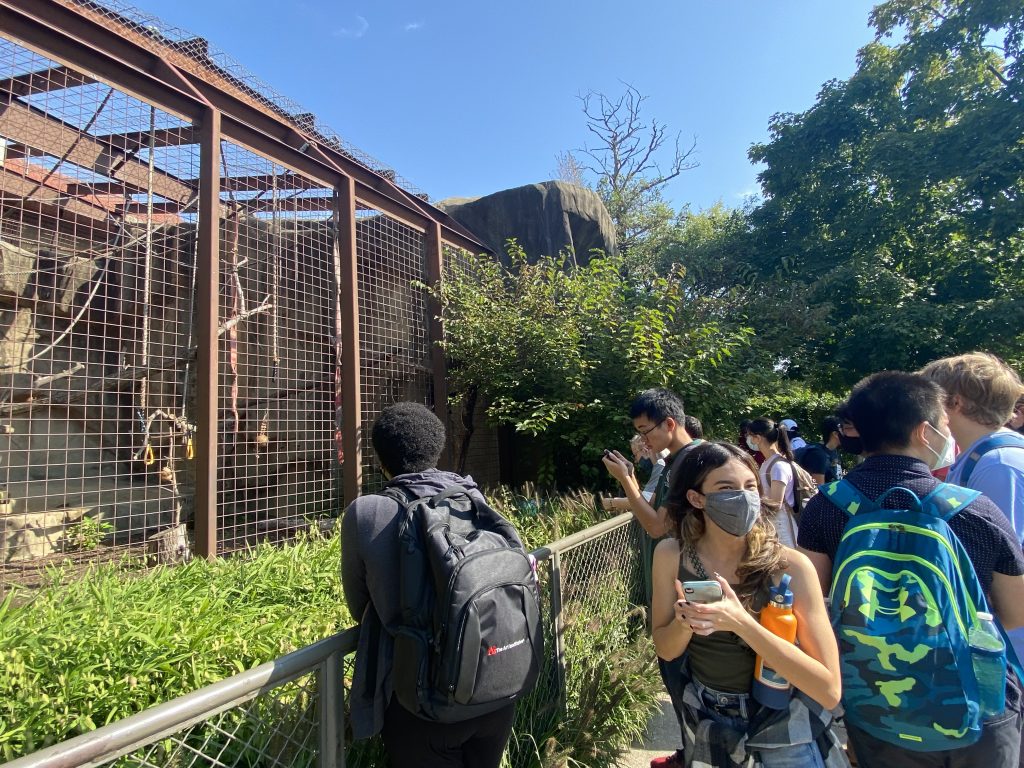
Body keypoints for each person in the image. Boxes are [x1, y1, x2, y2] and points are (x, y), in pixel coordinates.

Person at [797, 371, 1024, 767]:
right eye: (944, 425)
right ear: (925, 432)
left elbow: (808, 603)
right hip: (976, 706)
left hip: (876, 702)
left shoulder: (827, 507)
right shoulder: (975, 510)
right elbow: (1016, 613)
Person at [341, 402, 521, 768]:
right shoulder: (470, 496)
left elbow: (359, 605)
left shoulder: (366, 513)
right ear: (437, 450)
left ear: (380, 459)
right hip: (494, 684)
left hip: (419, 698)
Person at [652, 441, 845, 767]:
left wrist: (741, 622)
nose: (743, 497)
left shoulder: (790, 567)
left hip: (782, 723)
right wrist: (685, 622)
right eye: (726, 488)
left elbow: (828, 689)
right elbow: (665, 648)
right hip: (710, 722)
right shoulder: (672, 555)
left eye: (750, 486)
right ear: (696, 498)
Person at [604, 388, 698, 768]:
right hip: (689, 577)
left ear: (670, 424)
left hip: (689, 580)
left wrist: (626, 478)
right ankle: (690, 750)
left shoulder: (686, 465)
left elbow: (658, 525)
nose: (643, 441)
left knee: (680, 668)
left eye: (646, 432)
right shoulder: (690, 458)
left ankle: (695, 754)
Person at [746, 418, 799, 548]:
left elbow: (776, 503)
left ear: (757, 438)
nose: (748, 440)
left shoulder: (778, 466)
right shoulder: (767, 463)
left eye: (749, 436)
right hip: (773, 526)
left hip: (783, 529)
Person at [796, 416, 844, 485]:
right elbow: (818, 490)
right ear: (835, 434)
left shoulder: (834, 452)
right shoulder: (818, 455)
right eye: (844, 430)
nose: (847, 434)